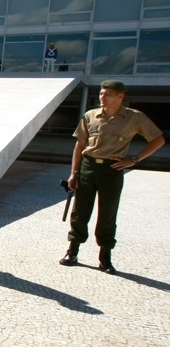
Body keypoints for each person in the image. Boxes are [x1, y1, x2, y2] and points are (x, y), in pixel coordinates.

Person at [59, 80, 164, 274]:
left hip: (112, 170)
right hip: (88, 167)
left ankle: (105, 256)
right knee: (80, 211)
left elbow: (158, 139)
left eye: (107, 94)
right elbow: (79, 146)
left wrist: (134, 159)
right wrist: (74, 172)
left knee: (108, 213)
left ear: (120, 96)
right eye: (100, 93)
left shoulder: (134, 118)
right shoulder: (90, 116)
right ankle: (72, 250)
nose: (102, 97)